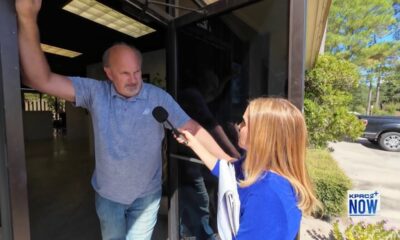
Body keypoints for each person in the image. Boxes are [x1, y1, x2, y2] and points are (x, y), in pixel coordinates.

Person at [15, 0, 232, 239]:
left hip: (147, 197)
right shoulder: (95, 92)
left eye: (137, 72)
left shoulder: (158, 98)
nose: (134, 80)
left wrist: (230, 165)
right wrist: (27, 18)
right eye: (125, 73)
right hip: (108, 198)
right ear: (108, 72)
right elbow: (40, 80)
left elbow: (193, 128)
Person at [177, 97, 320, 239]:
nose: (239, 126)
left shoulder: (268, 196)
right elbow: (227, 169)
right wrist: (193, 142)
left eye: (244, 122)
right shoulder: (256, 170)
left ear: (263, 134)